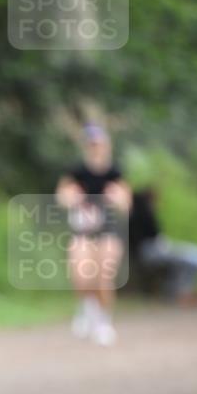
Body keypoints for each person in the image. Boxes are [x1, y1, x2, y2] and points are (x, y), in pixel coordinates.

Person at [55, 125, 132, 346]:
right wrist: (71, 198)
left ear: (106, 146)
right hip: (83, 231)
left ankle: (104, 322)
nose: (95, 148)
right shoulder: (76, 172)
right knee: (82, 277)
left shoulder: (115, 173)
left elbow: (126, 203)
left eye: (98, 144)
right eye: (92, 144)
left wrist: (118, 199)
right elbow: (62, 196)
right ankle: (87, 309)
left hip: (108, 231)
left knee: (103, 277)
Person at [130, 188, 197, 304]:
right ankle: (181, 294)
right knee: (191, 259)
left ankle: (182, 293)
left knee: (188, 260)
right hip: (151, 252)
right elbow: (157, 240)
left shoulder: (137, 215)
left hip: (150, 251)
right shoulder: (145, 215)